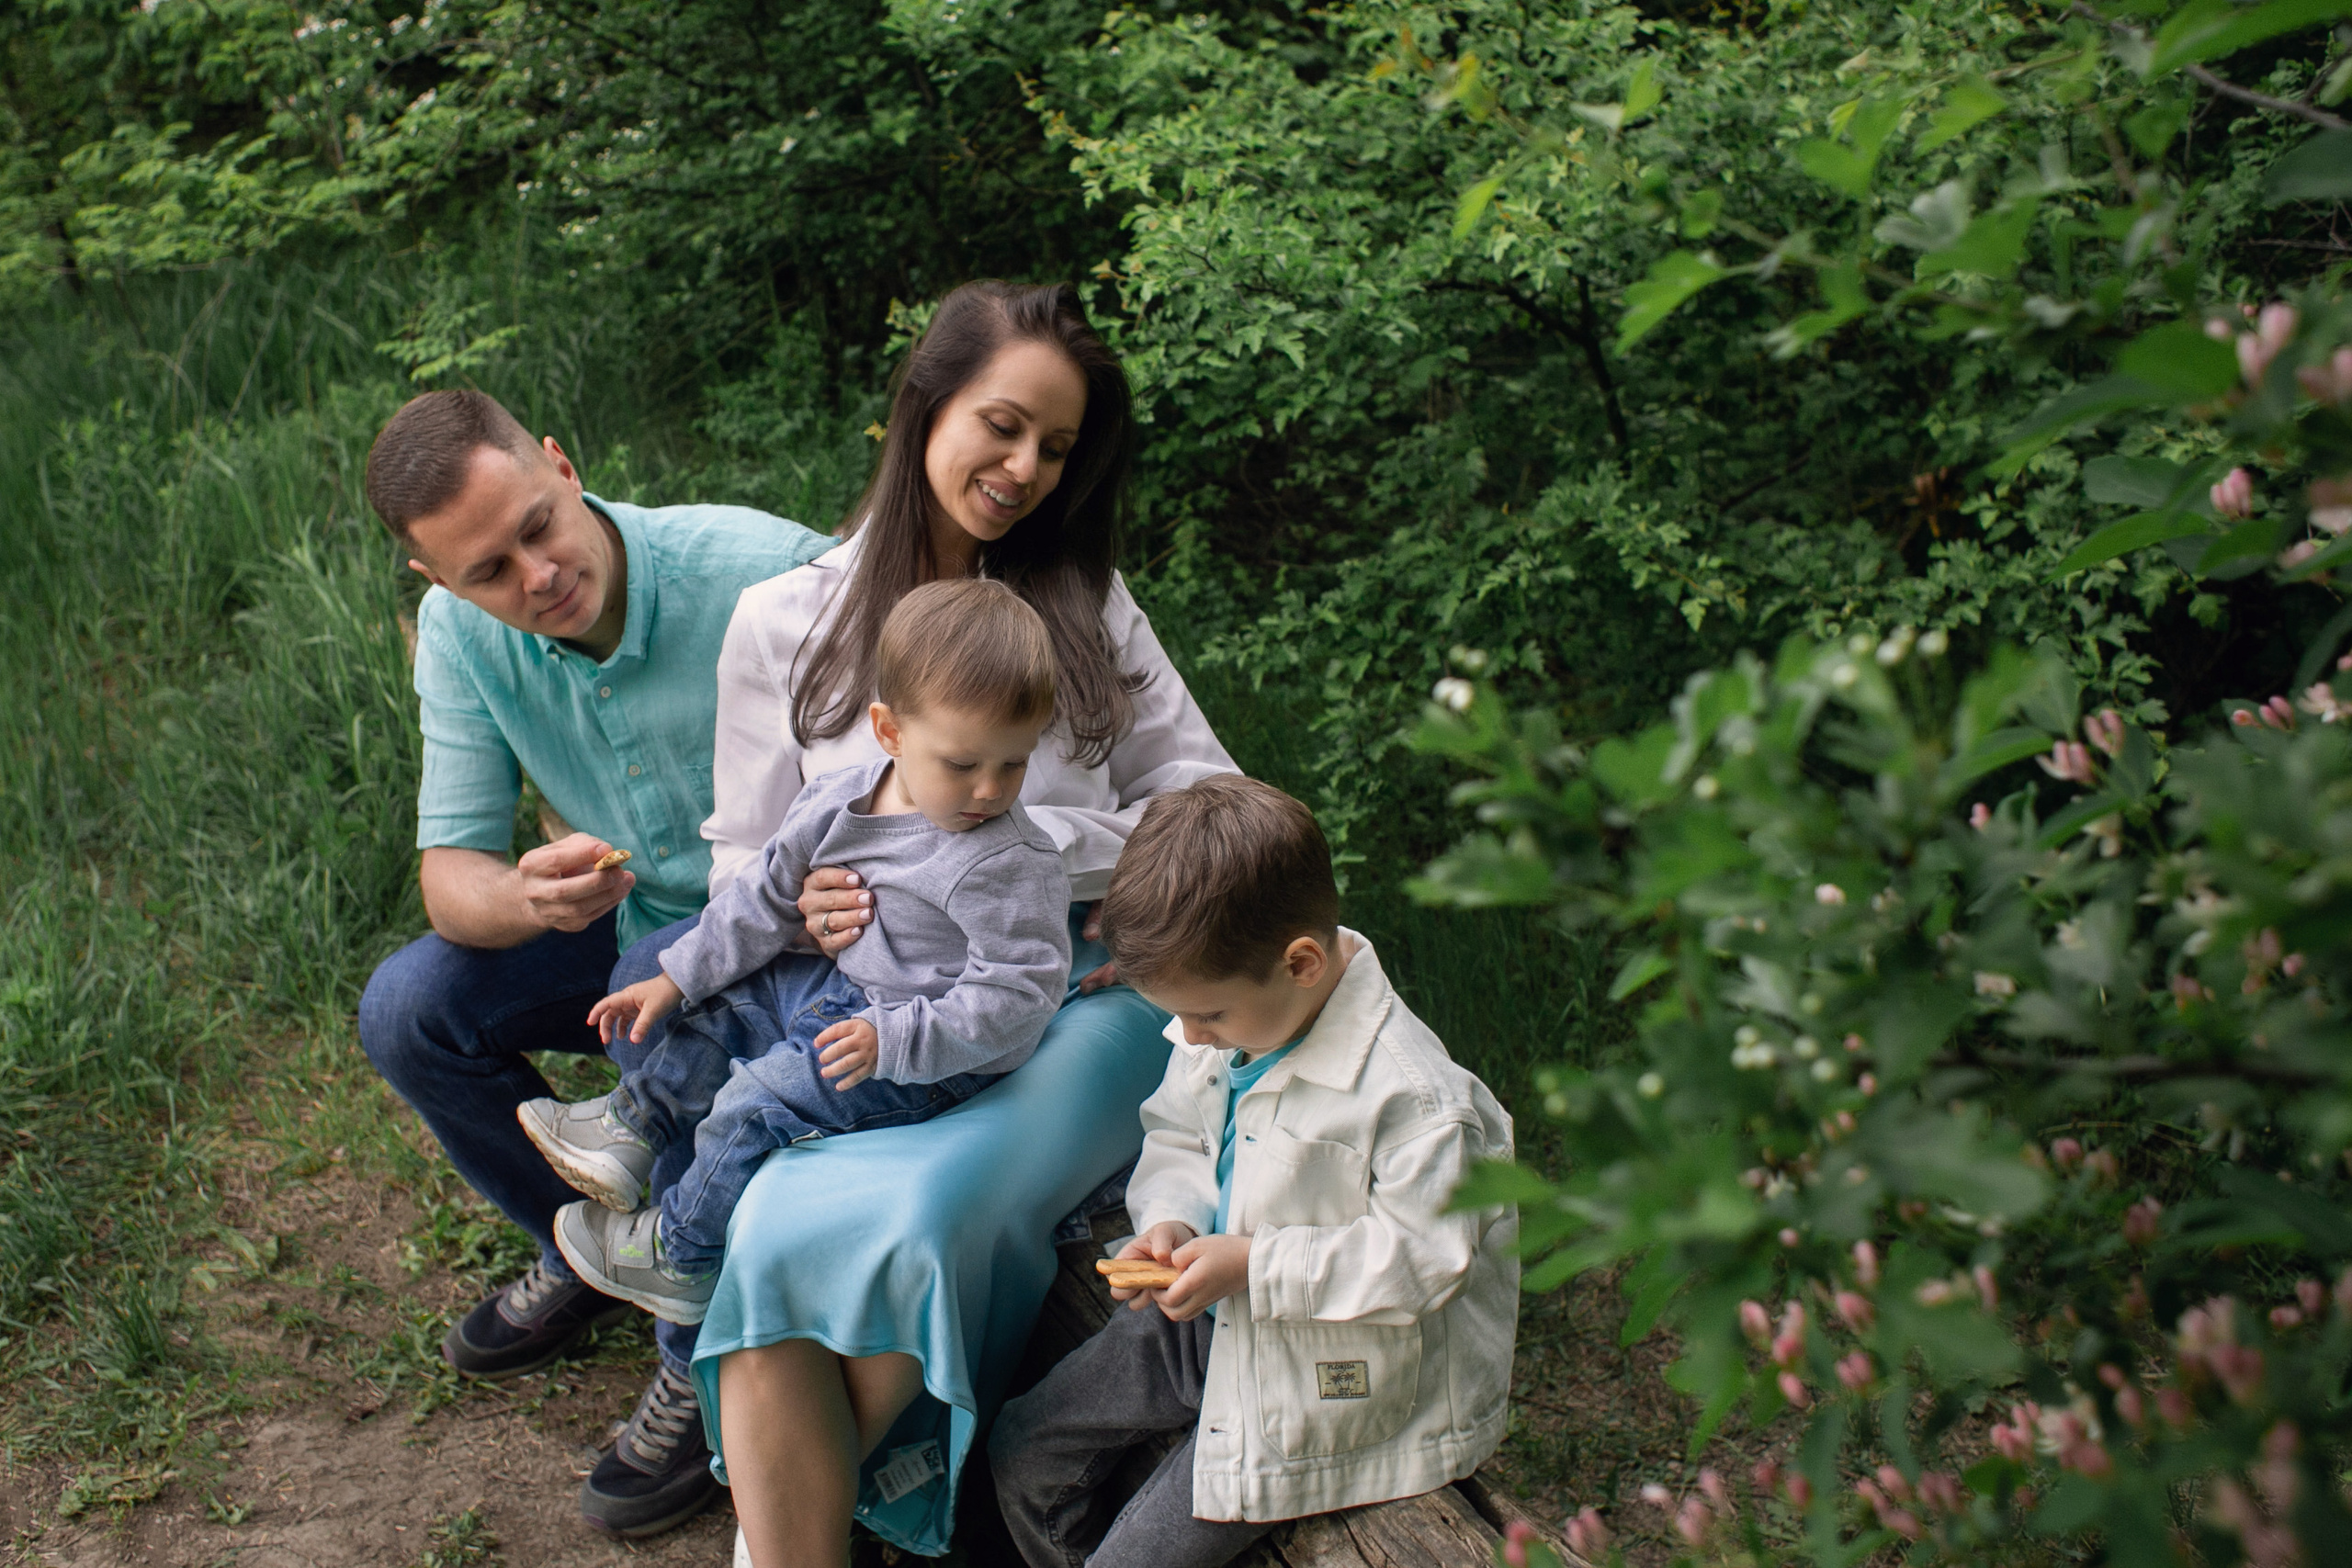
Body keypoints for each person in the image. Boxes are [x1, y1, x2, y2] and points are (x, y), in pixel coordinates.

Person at [685, 280, 1239, 1568]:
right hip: (862, 1022)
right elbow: (739, 869)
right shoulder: (784, 620)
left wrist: (1014, 850)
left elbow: (1213, 804)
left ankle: (819, 1507)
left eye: (1057, 446)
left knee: (926, 1214)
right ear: (924, 405)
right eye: (1003, 425)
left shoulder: (1086, 603)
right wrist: (801, 906)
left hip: (1074, 1007)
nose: (1027, 467)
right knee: (769, 1231)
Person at [353, 389, 828, 1538]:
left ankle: (694, 1352)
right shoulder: (461, 634)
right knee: (408, 1009)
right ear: (435, 580)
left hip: (803, 942)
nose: (538, 575)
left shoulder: (770, 574)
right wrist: (525, 897)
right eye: (489, 570)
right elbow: (449, 875)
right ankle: (585, 1244)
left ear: (563, 466)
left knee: (675, 1017)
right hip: (631, 929)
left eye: (537, 526)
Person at [989, 775, 1520, 1568]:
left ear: (1301, 961)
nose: (1193, 1036)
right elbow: (1179, 1131)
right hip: (1219, 1309)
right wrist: (1170, 1220)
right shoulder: (1245, 1016)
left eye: (1207, 1013)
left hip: (1332, 1372)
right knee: (1022, 1452)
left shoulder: (1415, 1101)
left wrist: (1254, 1265)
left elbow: (1424, 1258)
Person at [519, 579, 1073, 1318]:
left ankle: (681, 1254)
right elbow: (764, 895)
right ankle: (635, 1124)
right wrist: (676, 978)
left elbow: (1021, 992)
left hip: (927, 1053)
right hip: (845, 992)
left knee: (757, 1100)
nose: (990, 790)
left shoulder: (1008, 862)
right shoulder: (838, 799)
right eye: (963, 763)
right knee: (721, 1008)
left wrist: (894, 1039)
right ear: (890, 732)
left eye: (1014, 763)